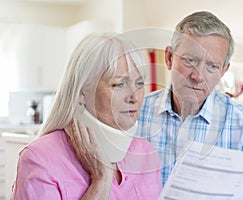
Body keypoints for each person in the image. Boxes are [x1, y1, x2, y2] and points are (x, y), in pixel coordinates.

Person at [137, 11, 243, 199]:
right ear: (169, 58)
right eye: (190, 61)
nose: (197, 76)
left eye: (212, 66)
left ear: (223, 70)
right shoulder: (135, 111)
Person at [11, 33, 162, 199]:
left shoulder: (145, 153)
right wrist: (101, 181)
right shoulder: (40, 158)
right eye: (119, 84)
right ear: (82, 92)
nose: (134, 97)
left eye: (140, 84)